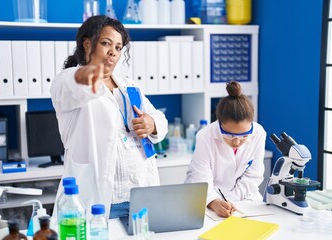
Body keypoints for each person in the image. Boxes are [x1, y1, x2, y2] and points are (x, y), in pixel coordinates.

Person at [50, 15, 168, 219]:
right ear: (87, 45)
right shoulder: (67, 80)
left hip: (141, 195)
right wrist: (96, 66)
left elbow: (159, 117)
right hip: (102, 201)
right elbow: (82, 85)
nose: (113, 52)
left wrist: (152, 123)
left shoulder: (128, 85)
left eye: (119, 47)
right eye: (106, 44)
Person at [185, 81, 266, 218]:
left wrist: (229, 200)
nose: (237, 141)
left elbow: (253, 176)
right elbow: (201, 177)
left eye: (244, 136)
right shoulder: (205, 136)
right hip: (208, 197)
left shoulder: (259, 133)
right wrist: (214, 202)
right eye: (229, 135)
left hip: (244, 198)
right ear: (220, 124)